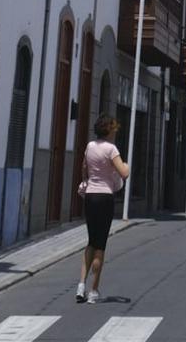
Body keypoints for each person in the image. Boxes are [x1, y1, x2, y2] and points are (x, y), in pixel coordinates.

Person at [76, 115, 129, 305]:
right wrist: (126, 166)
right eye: (114, 128)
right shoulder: (111, 149)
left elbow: (84, 167)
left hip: (90, 196)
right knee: (100, 245)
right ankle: (94, 290)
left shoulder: (90, 147)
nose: (115, 132)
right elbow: (124, 173)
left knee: (91, 241)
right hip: (105, 197)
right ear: (108, 130)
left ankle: (80, 285)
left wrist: (88, 180)